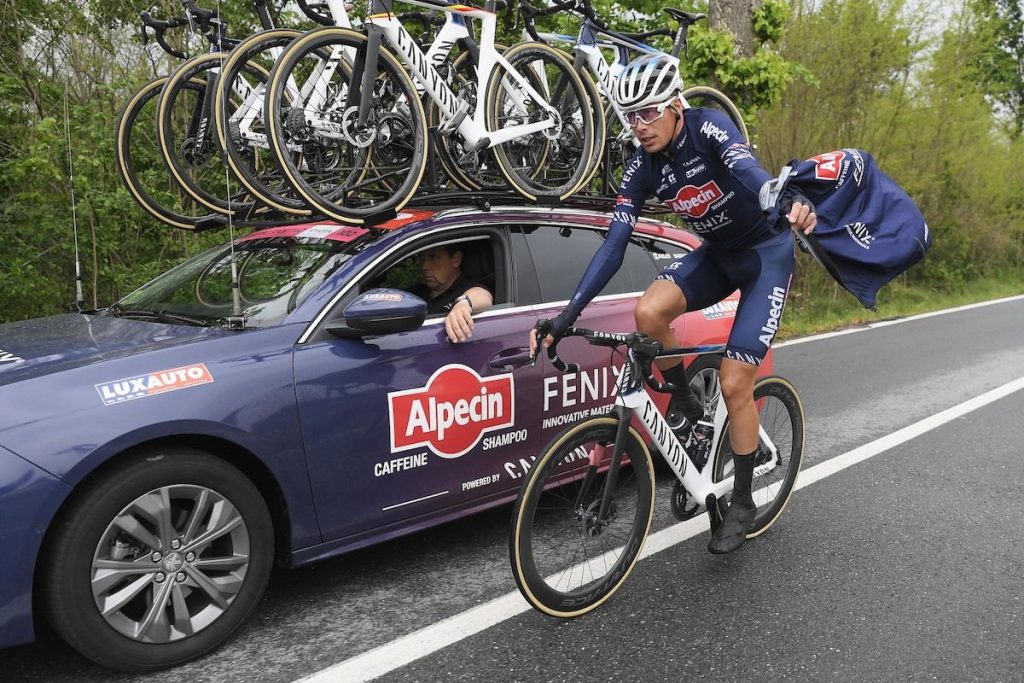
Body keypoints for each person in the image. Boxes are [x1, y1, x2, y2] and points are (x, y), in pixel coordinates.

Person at [529, 54, 817, 555]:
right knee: (648, 312)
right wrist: (565, 317)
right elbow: (614, 246)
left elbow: (748, 171)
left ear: (676, 105)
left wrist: (783, 194)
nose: (639, 126)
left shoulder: (709, 128)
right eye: (629, 116)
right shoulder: (642, 165)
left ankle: (744, 501)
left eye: (649, 113)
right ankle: (686, 408)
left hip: (765, 257)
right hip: (719, 256)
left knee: (734, 382)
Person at [412, 244, 493, 344]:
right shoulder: (416, 292)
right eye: (421, 257)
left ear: (456, 259)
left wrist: (463, 303)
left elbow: (483, 295)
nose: (424, 266)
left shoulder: (466, 288)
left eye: (433, 257)